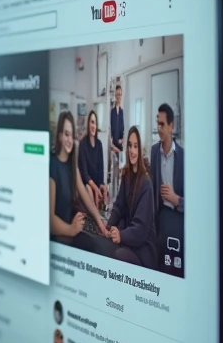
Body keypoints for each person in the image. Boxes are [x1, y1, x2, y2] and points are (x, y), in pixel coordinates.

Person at [49, 111, 108, 252]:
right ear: (59, 136)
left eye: (72, 135)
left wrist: (100, 222)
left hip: (71, 231)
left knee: (99, 246)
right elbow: (50, 220)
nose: (70, 140)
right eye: (66, 134)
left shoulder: (71, 164)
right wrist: (71, 229)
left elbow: (85, 196)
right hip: (59, 238)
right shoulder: (52, 165)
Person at [105, 126, 158, 270]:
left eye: (135, 146)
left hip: (143, 249)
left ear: (140, 149)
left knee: (117, 255)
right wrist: (107, 227)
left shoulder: (146, 183)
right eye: (129, 146)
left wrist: (121, 235)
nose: (132, 151)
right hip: (131, 240)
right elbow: (118, 207)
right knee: (105, 246)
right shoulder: (127, 175)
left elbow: (140, 229)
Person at [150, 104, 185, 275]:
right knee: (160, 265)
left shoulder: (184, 157)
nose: (159, 128)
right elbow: (152, 185)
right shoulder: (154, 151)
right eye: (158, 123)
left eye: (162, 124)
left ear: (172, 126)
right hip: (160, 216)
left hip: (178, 216)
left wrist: (176, 199)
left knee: (175, 267)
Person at [78, 110, 107, 210]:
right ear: (88, 124)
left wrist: (101, 186)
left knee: (104, 191)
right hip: (87, 185)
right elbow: (84, 174)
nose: (93, 125)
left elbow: (101, 170)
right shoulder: (82, 145)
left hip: (96, 184)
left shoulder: (99, 144)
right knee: (90, 189)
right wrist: (95, 187)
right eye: (91, 122)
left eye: (94, 122)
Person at [110, 84, 125, 195]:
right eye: (117, 94)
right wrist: (113, 143)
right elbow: (111, 129)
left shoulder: (123, 112)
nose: (118, 96)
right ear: (115, 95)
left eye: (120, 94)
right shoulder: (112, 112)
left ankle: (119, 194)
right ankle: (113, 194)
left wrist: (122, 140)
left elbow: (123, 130)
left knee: (120, 173)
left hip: (120, 147)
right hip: (113, 147)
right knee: (114, 174)